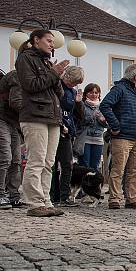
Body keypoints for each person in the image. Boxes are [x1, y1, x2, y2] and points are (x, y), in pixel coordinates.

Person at [10, 30, 70, 216]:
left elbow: (58, 94)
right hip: (34, 115)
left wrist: (57, 75)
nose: (52, 44)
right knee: (36, 160)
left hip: (52, 116)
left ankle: (46, 200)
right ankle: (34, 202)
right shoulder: (25, 59)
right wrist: (53, 73)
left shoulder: (46, 62)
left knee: (48, 162)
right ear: (36, 40)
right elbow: (31, 85)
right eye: (49, 40)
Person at [99, 63, 136, 210]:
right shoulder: (119, 89)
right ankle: (114, 198)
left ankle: (132, 198)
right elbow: (105, 106)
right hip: (123, 136)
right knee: (118, 169)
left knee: (135, 169)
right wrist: (115, 125)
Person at [49, 66, 84, 207]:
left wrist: (78, 102)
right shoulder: (57, 86)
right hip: (55, 127)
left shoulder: (72, 91)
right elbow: (53, 107)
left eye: (77, 83)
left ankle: (64, 196)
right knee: (51, 164)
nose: (74, 85)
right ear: (67, 76)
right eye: (73, 81)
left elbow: (80, 115)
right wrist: (60, 124)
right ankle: (52, 195)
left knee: (67, 165)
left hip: (67, 132)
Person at [0, 66, 23, 209]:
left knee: (16, 159)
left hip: (14, 122)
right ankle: (1, 193)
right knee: (5, 157)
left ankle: (13, 194)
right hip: (2, 117)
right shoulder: (17, 75)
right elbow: (15, 101)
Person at [75, 83, 107, 172]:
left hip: (98, 140)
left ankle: (93, 186)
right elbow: (81, 120)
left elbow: (107, 124)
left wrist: (103, 120)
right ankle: (83, 185)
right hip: (85, 139)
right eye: (91, 92)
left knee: (95, 167)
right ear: (86, 94)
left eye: (96, 93)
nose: (94, 95)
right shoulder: (82, 105)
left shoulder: (102, 107)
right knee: (84, 166)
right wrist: (93, 116)